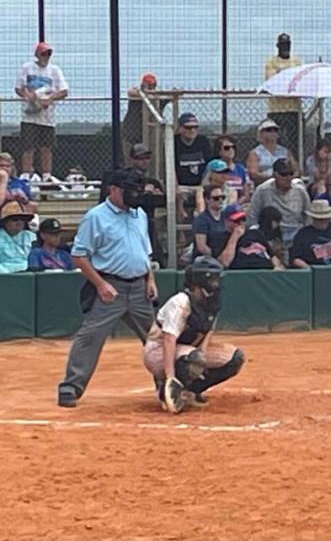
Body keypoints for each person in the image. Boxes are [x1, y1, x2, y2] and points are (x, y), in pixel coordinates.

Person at [57, 169, 158, 408]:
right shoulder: (96, 217)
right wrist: (101, 285)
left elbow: (145, 252)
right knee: (90, 336)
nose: (135, 195)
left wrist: (150, 279)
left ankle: (168, 383)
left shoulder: (139, 214)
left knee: (157, 339)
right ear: (113, 190)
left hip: (139, 288)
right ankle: (71, 386)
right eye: (129, 190)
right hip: (110, 287)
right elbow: (79, 256)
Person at [143, 257, 245, 414]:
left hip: (187, 349)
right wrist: (170, 375)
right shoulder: (181, 302)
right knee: (196, 359)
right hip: (157, 351)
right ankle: (166, 389)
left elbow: (208, 330)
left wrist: (202, 356)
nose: (216, 284)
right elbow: (169, 340)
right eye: (213, 279)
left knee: (235, 358)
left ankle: (190, 391)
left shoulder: (212, 303)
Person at [15, 41, 69, 181]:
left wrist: (50, 99)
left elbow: (64, 91)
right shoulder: (27, 68)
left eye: (48, 53)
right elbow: (19, 88)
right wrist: (29, 96)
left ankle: (46, 175)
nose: (46, 56)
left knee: (46, 147)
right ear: (37, 54)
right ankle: (26, 174)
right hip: (29, 115)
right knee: (28, 146)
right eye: (43, 53)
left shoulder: (55, 70)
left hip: (47, 117)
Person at [248, 158, 311, 250]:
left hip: (295, 232)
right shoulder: (262, 190)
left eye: (291, 174)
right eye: (284, 174)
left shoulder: (300, 191)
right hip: (270, 234)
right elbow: (252, 217)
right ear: (275, 174)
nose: (288, 178)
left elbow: (308, 215)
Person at [263, 32, 303, 143]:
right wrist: (288, 83)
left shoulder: (297, 61)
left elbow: (299, 82)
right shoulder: (271, 62)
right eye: (283, 45)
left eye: (287, 44)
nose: (286, 47)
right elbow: (273, 83)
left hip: (294, 109)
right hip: (276, 109)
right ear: (278, 46)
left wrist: (282, 77)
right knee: (276, 140)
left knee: (295, 141)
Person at [219, 205, 284, 270]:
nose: (240, 223)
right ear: (226, 221)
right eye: (236, 221)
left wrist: (277, 266)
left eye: (243, 219)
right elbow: (225, 262)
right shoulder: (222, 237)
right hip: (242, 272)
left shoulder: (255, 233)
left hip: (265, 270)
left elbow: (272, 256)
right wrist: (234, 237)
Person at [289, 199, 331, 267]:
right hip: (312, 272)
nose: (323, 221)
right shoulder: (302, 235)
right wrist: (309, 269)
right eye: (319, 219)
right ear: (313, 218)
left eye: (325, 218)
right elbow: (295, 259)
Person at [174, 112, 212, 219]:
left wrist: (203, 184)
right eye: (188, 127)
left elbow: (209, 166)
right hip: (182, 185)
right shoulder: (174, 142)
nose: (192, 130)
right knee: (177, 194)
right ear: (180, 128)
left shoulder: (203, 141)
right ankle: (180, 232)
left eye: (195, 127)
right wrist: (176, 186)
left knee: (204, 193)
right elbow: (171, 168)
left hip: (201, 184)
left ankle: (201, 222)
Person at [122, 72, 169, 155]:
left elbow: (170, 96)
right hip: (132, 135)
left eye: (153, 85)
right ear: (143, 84)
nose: (151, 88)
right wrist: (145, 94)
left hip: (150, 138)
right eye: (148, 85)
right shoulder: (137, 94)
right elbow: (131, 92)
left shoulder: (157, 98)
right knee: (131, 158)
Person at [246, 118, 295, 187]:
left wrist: (287, 178)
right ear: (261, 134)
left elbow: (296, 170)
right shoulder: (255, 153)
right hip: (264, 186)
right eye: (268, 130)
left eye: (275, 130)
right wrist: (273, 178)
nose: (272, 132)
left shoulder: (285, 151)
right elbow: (253, 173)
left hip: (285, 185)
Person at [209, 134, 251, 206]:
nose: (231, 150)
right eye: (227, 148)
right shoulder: (213, 167)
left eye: (233, 147)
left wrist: (235, 205)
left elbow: (245, 195)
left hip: (237, 204)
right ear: (219, 151)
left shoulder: (241, 169)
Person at [192, 184, 228, 258]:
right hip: (205, 261)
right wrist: (216, 258)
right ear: (207, 200)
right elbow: (201, 247)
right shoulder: (201, 220)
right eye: (216, 198)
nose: (220, 200)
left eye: (222, 197)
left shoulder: (226, 216)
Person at [0, 199, 34, 273]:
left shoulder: (32, 236)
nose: (19, 222)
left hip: (30, 275)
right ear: (5, 221)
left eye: (22, 219)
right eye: (15, 219)